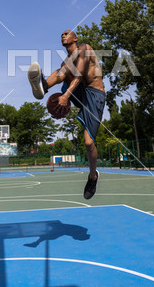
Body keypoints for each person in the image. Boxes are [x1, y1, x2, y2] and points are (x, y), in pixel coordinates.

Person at [28, 30, 106, 200]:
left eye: (66, 33)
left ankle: (93, 177)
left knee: (88, 142)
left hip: (94, 94)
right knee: (62, 70)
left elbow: (79, 75)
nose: (63, 36)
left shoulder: (85, 48)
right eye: (61, 35)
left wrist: (65, 95)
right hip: (80, 91)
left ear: (75, 38)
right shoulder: (68, 60)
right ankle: (43, 86)